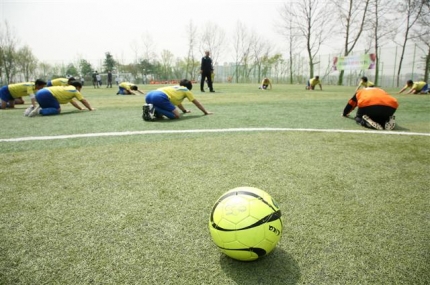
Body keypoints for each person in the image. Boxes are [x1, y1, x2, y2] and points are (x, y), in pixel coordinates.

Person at [143, 79, 212, 121]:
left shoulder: (175, 87)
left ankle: (151, 109)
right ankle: (153, 108)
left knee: (160, 116)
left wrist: (184, 110)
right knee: (176, 115)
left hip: (149, 95)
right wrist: (205, 112)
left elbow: (178, 102)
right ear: (189, 87)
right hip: (160, 96)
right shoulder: (186, 90)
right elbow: (196, 102)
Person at [28, 81, 95, 117]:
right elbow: (83, 100)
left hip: (39, 93)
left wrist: (80, 108)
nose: (80, 90)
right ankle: (39, 111)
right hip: (46, 94)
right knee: (57, 110)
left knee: (50, 106)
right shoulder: (74, 90)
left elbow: (72, 102)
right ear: (78, 87)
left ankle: (33, 108)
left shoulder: (67, 89)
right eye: (80, 89)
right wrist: (90, 108)